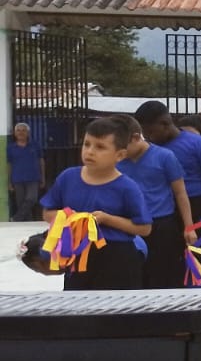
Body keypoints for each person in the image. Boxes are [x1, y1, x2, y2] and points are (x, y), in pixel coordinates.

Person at [39, 118, 151, 290]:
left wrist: (107, 219)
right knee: (78, 304)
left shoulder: (127, 187)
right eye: (87, 144)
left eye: (100, 147)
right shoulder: (68, 178)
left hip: (117, 257)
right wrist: (73, 218)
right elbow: (48, 213)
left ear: (120, 155)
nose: (90, 152)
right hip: (78, 256)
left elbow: (144, 228)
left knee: (118, 306)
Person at [110, 115, 194, 288]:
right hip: (129, 226)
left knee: (163, 278)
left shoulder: (164, 156)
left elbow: (180, 192)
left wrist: (189, 227)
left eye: (122, 146)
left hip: (161, 225)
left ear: (135, 138)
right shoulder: (116, 161)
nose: (119, 152)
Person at [136, 101, 201, 225]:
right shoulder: (148, 149)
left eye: (150, 132)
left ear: (164, 123)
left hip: (195, 204)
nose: (147, 137)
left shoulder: (198, 144)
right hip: (162, 210)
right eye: (143, 134)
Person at [7, 122, 44, 221]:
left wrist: (43, 178)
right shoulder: (11, 148)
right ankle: (28, 224)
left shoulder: (35, 145)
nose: (21, 133)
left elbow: (41, 162)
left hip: (33, 178)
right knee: (21, 204)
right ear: (15, 133)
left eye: (24, 130)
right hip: (17, 179)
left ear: (28, 133)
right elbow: (9, 165)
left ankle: (16, 218)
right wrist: (9, 182)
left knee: (32, 199)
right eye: (18, 130)